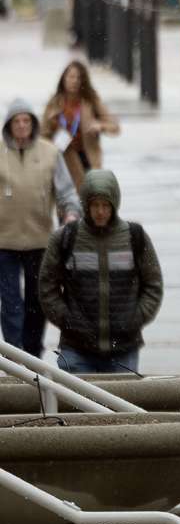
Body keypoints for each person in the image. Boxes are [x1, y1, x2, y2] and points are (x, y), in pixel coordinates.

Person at [39, 169, 162, 373]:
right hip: (76, 349)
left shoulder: (135, 237)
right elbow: (47, 286)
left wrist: (136, 317)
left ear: (114, 205)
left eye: (106, 205)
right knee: (78, 404)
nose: (100, 211)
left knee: (119, 405)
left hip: (123, 348)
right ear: (86, 205)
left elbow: (153, 285)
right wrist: (67, 320)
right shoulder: (66, 238)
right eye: (95, 205)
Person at [0, 98, 81, 357]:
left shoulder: (49, 153)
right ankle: (15, 356)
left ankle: (33, 354)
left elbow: (66, 190)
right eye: (17, 122)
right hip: (4, 242)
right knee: (11, 304)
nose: (22, 126)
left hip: (40, 241)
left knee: (37, 303)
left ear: (33, 124)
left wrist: (70, 215)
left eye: (26, 121)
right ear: (9, 126)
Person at [41, 60, 119, 190]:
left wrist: (100, 126)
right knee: (67, 203)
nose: (74, 81)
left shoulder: (91, 101)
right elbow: (42, 133)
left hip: (87, 158)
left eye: (79, 77)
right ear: (63, 79)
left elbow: (114, 126)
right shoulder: (54, 102)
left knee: (87, 200)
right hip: (63, 159)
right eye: (71, 76)